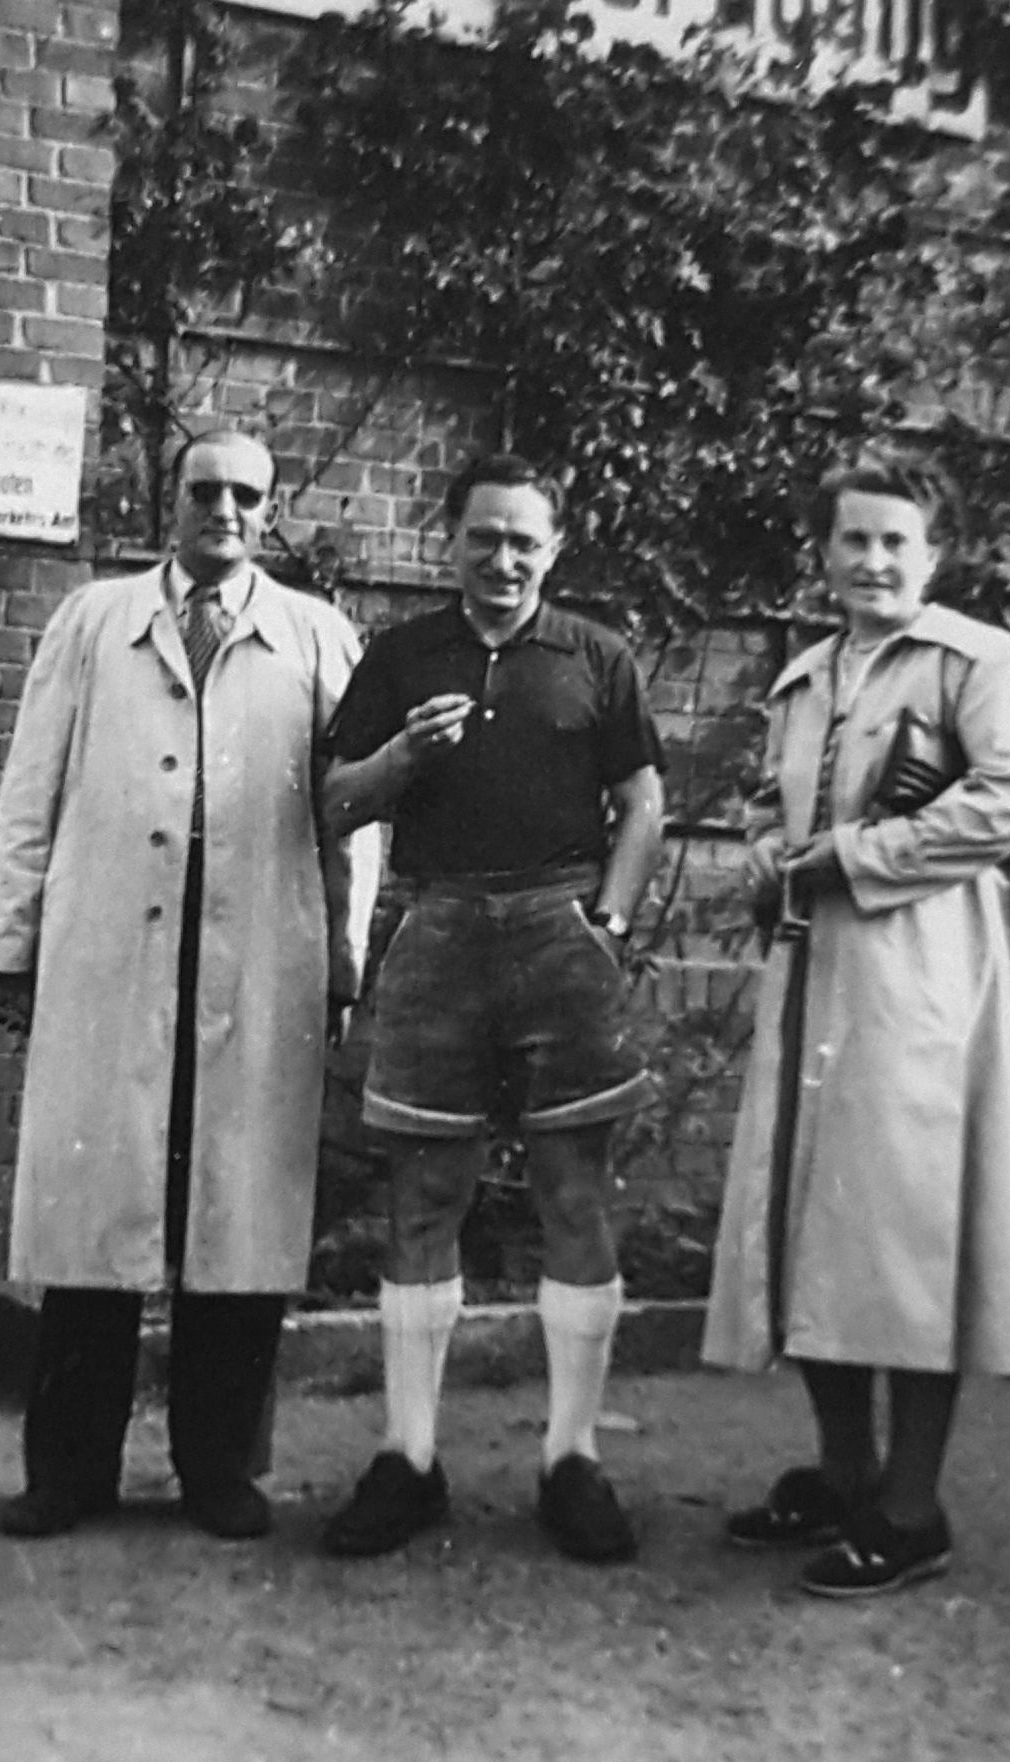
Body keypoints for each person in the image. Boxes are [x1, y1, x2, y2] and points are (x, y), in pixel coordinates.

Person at [0, 430, 377, 1542]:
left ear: (271, 509)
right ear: (171, 499)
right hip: (110, 954)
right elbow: (29, 793)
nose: (226, 509)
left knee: (236, 1222)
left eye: (247, 494)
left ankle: (219, 1473)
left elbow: (352, 818)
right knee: (91, 1215)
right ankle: (67, 1473)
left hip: (258, 960)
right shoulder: (94, 622)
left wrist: (342, 957)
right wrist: (10, 947)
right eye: (204, 490)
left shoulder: (313, 636)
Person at [701, 444, 1010, 1598]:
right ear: (824, 552)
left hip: (917, 981)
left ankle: (911, 1509)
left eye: (896, 540)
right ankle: (844, 1473)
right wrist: (768, 851)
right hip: (813, 980)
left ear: (933, 554)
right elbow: (771, 800)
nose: (872, 560)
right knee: (811, 1222)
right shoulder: (803, 676)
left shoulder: (975, 661)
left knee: (904, 1234)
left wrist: (852, 855)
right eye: (853, 539)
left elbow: (1008, 803)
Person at [317, 452, 667, 1564]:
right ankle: (408, 1459)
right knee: (425, 1192)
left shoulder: (598, 656)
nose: (503, 559)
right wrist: (405, 755)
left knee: (573, 1189)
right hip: (438, 927)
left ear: (552, 550)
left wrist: (607, 923)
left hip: (561, 929)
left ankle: (572, 1459)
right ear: (450, 541)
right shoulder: (399, 654)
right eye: (483, 537)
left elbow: (643, 798)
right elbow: (332, 800)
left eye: (524, 540)